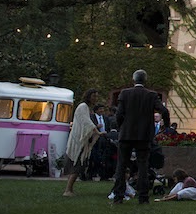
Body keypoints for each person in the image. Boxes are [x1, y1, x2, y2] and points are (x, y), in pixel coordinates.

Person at [112, 69, 169, 204]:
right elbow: (164, 110)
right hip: (144, 135)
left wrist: (122, 128)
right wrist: (165, 126)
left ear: (133, 80)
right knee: (143, 165)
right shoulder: (151, 95)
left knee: (121, 165)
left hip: (126, 134)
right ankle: (143, 196)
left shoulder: (125, 93)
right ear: (145, 80)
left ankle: (118, 196)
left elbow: (119, 114)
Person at [64, 88, 101, 197]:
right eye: (93, 96)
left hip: (81, 141)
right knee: (77, 165)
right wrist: (97, 131)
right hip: (78, 142)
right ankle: (68, 190)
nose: (95, 99)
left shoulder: (87, 108)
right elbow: (86, 122)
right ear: (88, 96)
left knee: (78, 165)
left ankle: (69, 189)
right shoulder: (83, 107)